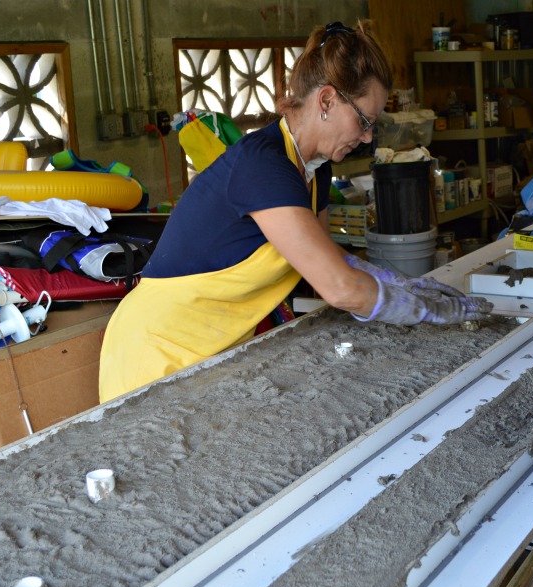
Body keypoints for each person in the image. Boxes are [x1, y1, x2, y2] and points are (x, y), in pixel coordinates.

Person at [98, 20, 492, 403]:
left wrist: (405, 283)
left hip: (214, 346)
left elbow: (326, 257)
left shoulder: (316, 171)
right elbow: (339, 288)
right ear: (326, 100)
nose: (368, 136)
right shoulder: (264, 166)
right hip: (157, 352)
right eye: (364, 120)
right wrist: (430, 311)